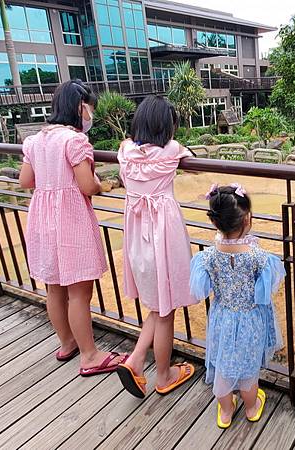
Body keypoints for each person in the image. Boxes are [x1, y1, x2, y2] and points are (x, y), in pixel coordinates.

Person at [19, 79, 128, 376]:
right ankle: (90, 355)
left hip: (42, 218)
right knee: (79, 292)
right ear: (81, 107)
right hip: (70, 221)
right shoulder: (75, 140)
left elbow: (25, 181)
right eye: (90, 109)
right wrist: (100, 184)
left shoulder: (34, 140)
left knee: (54, 288)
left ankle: (68, 343)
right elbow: (86, 186)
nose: (89, 116)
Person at [116, 96, 197, 398]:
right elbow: (188, 158)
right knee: (165, 311)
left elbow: (127, 144)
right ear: (167, 127)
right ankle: (164, 375)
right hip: (164, 239)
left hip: (138, 240)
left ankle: (135, 361)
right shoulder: (172, 151)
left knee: (158, 305)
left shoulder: (125, 152)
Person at [189, 184, 284, 429]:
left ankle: (225, 412)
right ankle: (251, 408)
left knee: (223, 364)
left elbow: (202, 287)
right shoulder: (257, 256)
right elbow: (266, 289)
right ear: (248, 219)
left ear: (215, 223)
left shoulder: (208, 256)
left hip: (223, 318)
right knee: (248, 368)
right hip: (250, 319)